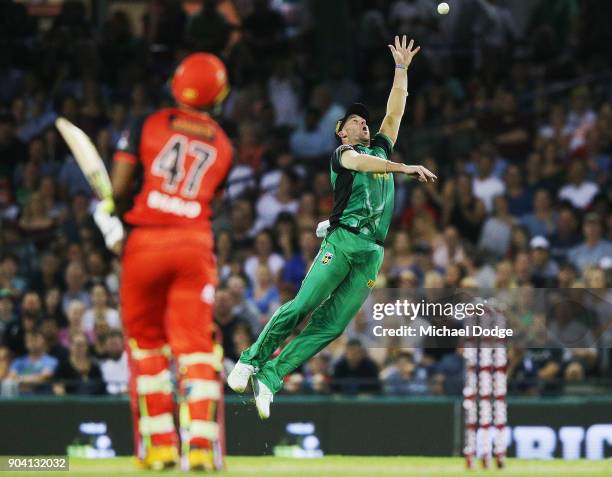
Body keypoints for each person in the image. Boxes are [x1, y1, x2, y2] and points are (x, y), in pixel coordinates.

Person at [227, 36, 436, 418]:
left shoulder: (379, 149)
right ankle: (250, 359)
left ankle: (272, 376)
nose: (364, 122)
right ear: (342, 131)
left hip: (371, 252)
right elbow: (362, 165)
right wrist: (404, 168)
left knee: (333, 326)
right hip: (342, 242)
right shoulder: (344, 155)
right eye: (356, 120)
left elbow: (395, 113)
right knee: (304, 306)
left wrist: (401, 70)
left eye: (364, 119)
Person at [92, 53, 232, 470]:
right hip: (193, 245)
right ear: (220, 94)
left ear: (176, 83)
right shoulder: (225, 145)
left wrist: (109, 213)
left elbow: (117, 189)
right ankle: (203, 450)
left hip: (146, 243)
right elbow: (209, 199)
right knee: (197, 349)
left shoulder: (147, 124)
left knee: (148, 347)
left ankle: (160, 447)